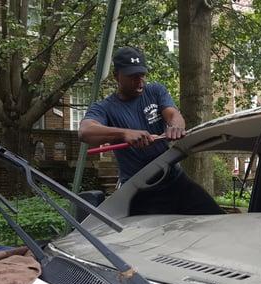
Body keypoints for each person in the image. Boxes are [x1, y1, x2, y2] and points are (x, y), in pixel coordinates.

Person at [79, 47, 223, 216]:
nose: (139, 81)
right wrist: (124, 133)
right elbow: (85, 131)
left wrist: (175, 126)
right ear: (116, 76)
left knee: (215, 217)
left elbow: (173, 114)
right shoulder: (105, 108)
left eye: (142, 75)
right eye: (132, 76)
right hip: (139, 190)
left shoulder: (155, 91)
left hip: (174, 180)